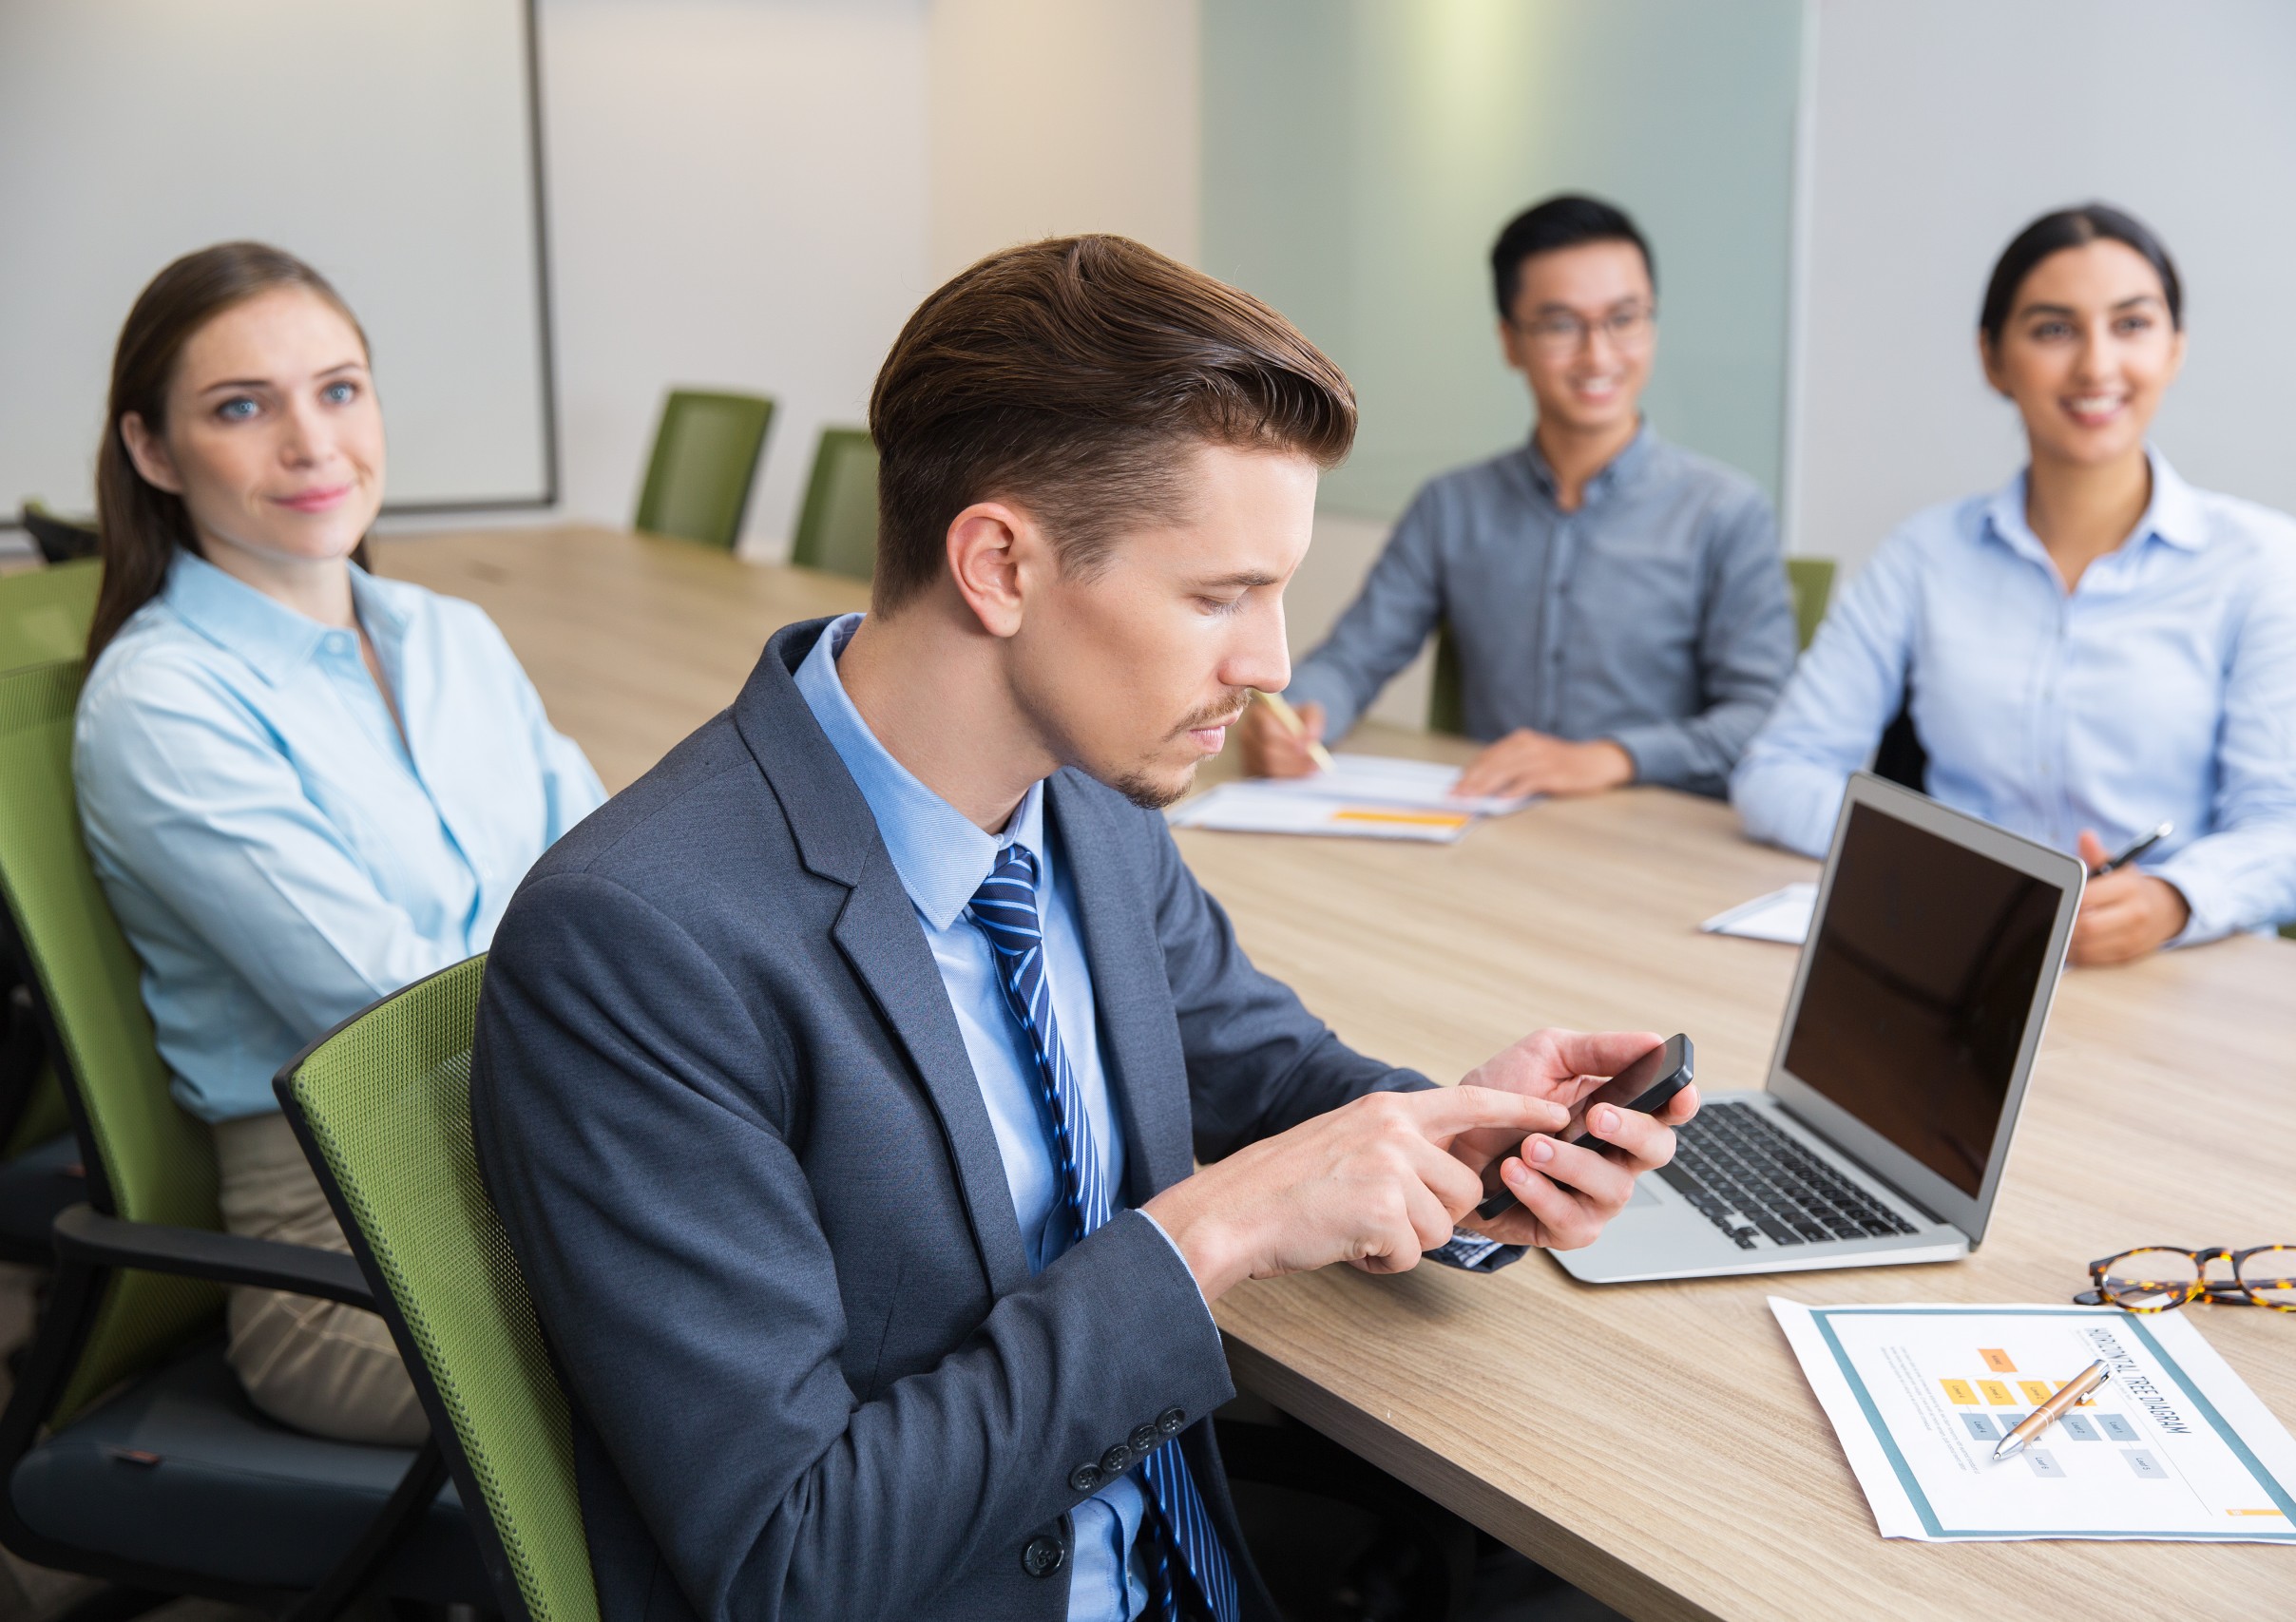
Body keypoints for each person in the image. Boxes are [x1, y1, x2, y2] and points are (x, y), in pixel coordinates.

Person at [469, 236, 1698, 1622]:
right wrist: (1216, 1229)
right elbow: (788, 1557)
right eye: (1219, 595)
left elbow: (1272, 1074)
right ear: (999, 564)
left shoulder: (1087, 809)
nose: (1274, 662)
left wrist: (1469, 1144)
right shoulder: (643, 942)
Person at [73, 242, 605, 1444]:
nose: (312, 443)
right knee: (752, 1387)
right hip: (355, 1251)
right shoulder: (161, 703)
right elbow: (401, 1021)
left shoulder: (450, 635)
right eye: (241, 407)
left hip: (560, 1169)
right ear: (153, 453)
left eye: (340, 388)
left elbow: (620, 895)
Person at [1731, 204, 2296, 964]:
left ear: (2175, 348)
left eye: (2132, 325)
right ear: (1993, 359)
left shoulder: (2265, 561)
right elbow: (1780, 772)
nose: (2095, 366)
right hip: (1968, 958)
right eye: (2053, 329)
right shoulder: (1925, 555)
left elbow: (2295, 824)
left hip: (2177, 973)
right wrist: (1965, 874)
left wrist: (2173, 898)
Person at [1238, 193, 1795, 800]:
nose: (1599, 353)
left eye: (1624, 318)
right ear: (1510, 340)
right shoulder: (1451, 507)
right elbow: (1353, 659)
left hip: (1652, 839)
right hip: (1488, 829)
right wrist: (1296, 717)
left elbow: (1761, 718)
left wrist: (1610, 758)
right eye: (1561, 324)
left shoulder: (1726, 513)